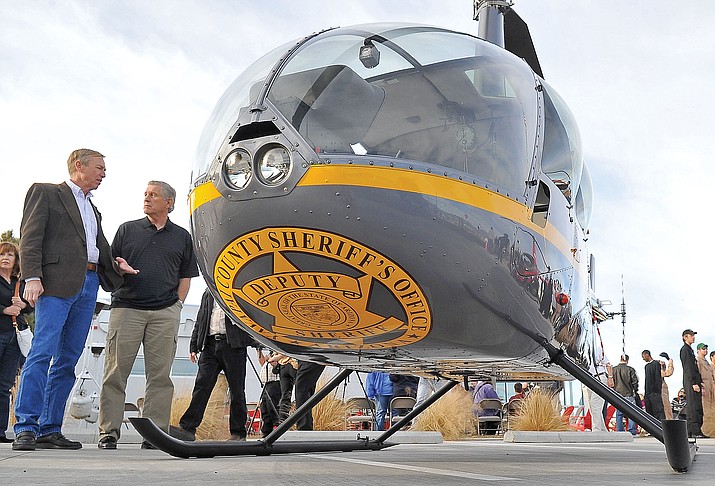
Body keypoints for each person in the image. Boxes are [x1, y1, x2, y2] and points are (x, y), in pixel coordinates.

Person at [12, 149, 133, 451]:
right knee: (42, 352)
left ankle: (50, 428)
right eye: (100, 167)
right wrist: (32, 277)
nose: (104, 173)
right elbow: (30, 237)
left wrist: (117, 265)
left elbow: (96, 248)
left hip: (88, 284)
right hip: (54, 284)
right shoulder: (46, 193)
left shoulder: (94, 210)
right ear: (79, 166)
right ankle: (26, 426)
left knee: (68, 360)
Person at [97, 181, 199, 450]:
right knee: (115, 373)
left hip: (165, 313)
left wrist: (177, 305)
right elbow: (110, 264)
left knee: (160, 377)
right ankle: (108, 432)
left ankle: (155, 436)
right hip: (126, 309)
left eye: (153, 195)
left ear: (169, 203)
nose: (147, 198)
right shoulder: (127, 230)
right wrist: (119, 265)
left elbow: (186, 276)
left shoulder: (182, 236)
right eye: (145, 194)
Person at [169, 288, 256, 443]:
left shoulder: (237, 291)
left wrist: (254, 342)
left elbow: (251, 316)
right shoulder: (208, 293)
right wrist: (194, 345)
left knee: (236, 389)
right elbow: (201, 318)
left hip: (233, 346)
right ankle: (187, 429)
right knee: (201, 387)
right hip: (209, 345)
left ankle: (238, 433)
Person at [0, 242, 33, 443]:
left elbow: (30, 307)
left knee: (4, 386)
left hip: (14, 336)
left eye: (10, 255)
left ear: (16, 259)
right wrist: (4, 310)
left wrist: (24, 305)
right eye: (2, 254)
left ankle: (0, 431)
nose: (5, 258)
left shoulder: (19, 283)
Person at [583, 332, 612, 432]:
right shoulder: (581, 351)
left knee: (596, 405)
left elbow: (608, 364)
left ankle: (596, 429)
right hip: (587, 380)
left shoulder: (598, 350)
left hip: (598, 378)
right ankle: (602, 429)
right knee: (592, 407)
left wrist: (610, 378)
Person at [679, 329, 706, 438]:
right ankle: (694, 431)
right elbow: (688, 368)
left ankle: (693, 431)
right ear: (685, 337)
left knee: (696, 406)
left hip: (695, 381)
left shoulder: (690, 350)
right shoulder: (685, 350)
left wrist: (700, 382)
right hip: (691, 382)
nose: (693, 337)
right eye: (691, 335)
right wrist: (694, 383)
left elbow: (694, 368)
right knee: (694, 407)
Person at [294, 360, 325, 430]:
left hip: (310, 357)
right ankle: (305, 425)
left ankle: (304, 426)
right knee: (305, 390)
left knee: (302, 388)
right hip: (310, 358)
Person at [611, 354, 639, 436]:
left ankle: (620, 431)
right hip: (628, 394)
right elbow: (635, 381)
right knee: (631, 413)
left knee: (619, 414)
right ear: (627, 360)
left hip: (617, 394)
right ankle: (632, 431)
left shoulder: (613, 370)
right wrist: (635, 390)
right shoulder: (630, 369)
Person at [256, 348, 281, 438]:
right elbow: (262, 362)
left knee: (272, 406)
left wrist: (270, 359)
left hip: (274, 383)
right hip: (266, 385)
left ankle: (277, 427)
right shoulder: (268, 358)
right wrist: (259, 351)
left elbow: (276, 364)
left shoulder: (278, 355)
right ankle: (266, 431)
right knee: (264, 408)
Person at [271, 352, 298, 423]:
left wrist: (275, 358)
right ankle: (297, 416)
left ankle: (282, 420)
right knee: (299, 391)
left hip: (283, 366)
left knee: (285, 395)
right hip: (293, 364)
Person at [641, 350, 665, 421]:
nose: (643, 358)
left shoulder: (656, 364)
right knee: (649, 411)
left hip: (655, 392)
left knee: (658, 411)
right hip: (648, 393)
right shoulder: (646, 366)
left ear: (647, 355)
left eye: (643, 356)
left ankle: (661, 428)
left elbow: (658, 378)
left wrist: (657, 391)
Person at [696, 343, 714, 422]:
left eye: (706, 349)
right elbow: (697, 374)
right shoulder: (698, 361)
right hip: (704, 384)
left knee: (711, 405)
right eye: (703, 349)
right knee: (705, 406)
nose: (705, 350)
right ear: (698, 350)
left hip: (710, 384)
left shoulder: (706, 362)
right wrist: (701, 386)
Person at [658, 352, 674, 419]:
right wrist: (670, 362)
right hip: (661, 391)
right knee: (666, 409)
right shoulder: (657, 371)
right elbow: (668, 373)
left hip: (662, 390)